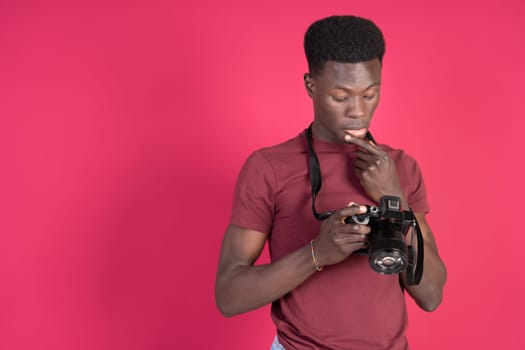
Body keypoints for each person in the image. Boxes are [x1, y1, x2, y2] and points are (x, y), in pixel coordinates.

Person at [215, 15, 447, 350]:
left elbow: (431, 295)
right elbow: (229, 295)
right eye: (341, 96)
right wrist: (317, 253)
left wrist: (396, 199)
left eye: (370, 94)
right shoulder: (268, 167)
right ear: (311, 85)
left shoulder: (400, 167)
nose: (358, 111)